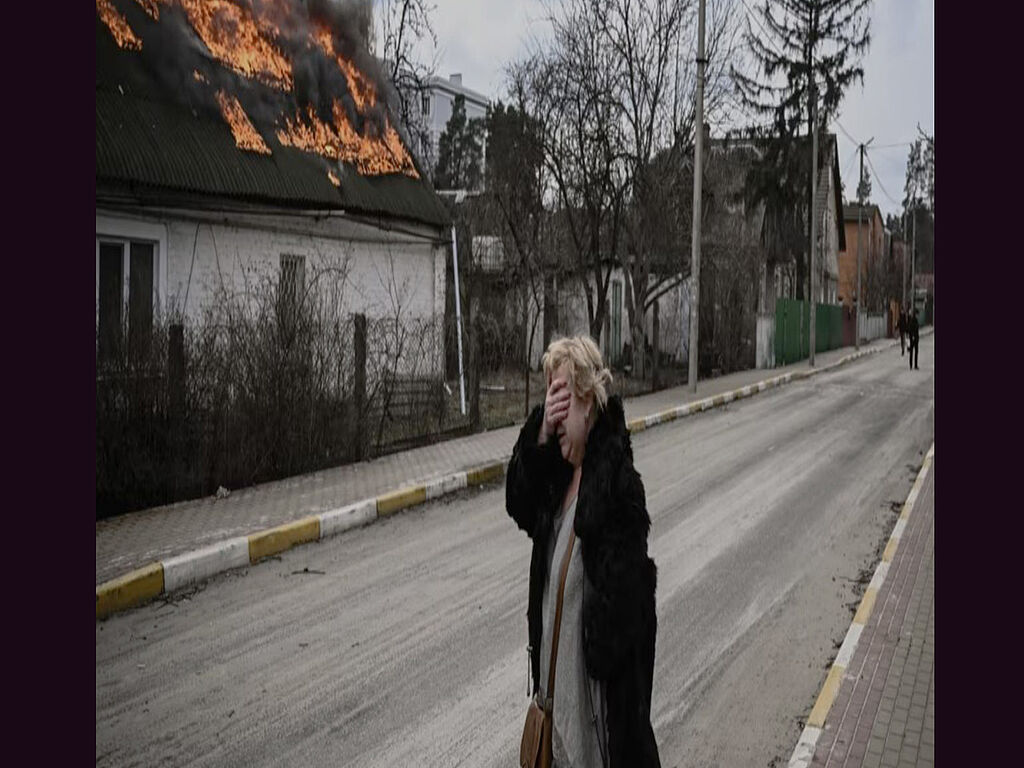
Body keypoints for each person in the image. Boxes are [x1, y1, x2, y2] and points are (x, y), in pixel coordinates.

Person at [506, 335, 661, 768]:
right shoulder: (556, 476)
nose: (555, 420)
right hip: (555, 719)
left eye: (563, 402)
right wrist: (539, 432)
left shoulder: (615, 488)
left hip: (595, 730)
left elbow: (628, 624)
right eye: (548, 401)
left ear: (588, 402)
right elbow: (517, 502)